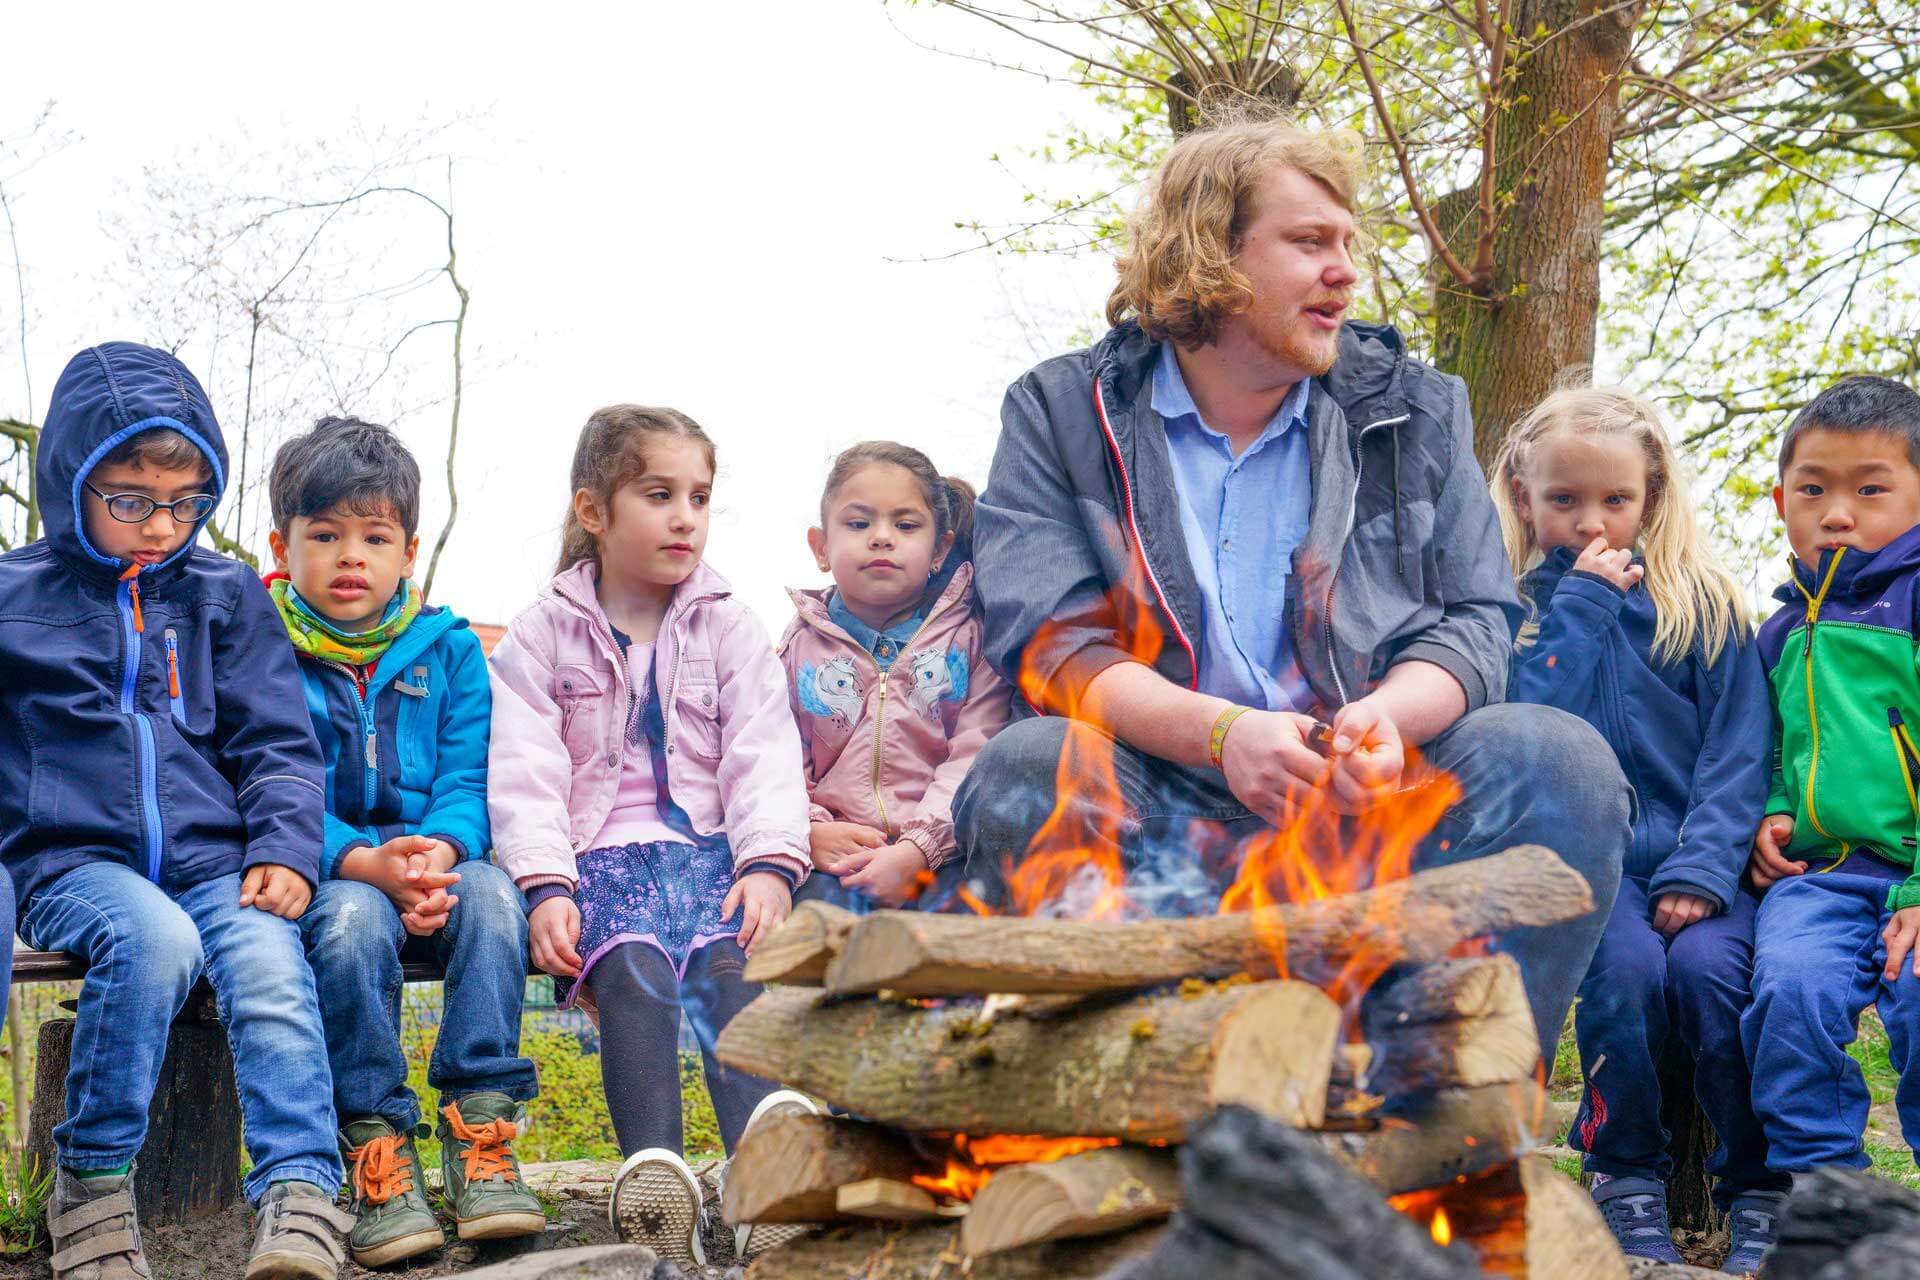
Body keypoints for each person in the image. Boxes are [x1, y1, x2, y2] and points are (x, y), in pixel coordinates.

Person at [954, 109, 1628, 1068]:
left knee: (1556, 755)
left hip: (1372, 803)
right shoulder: (1061, 412)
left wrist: (1388, 721)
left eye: (1350, 244)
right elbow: (1052, 646)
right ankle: (1103, 1113)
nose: (1346, 271)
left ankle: (1452, 1112)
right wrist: (1222, 738)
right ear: (1209, 255)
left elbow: (1481, 621)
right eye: (1311, 242)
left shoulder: (1422, 408)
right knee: (1031, 764)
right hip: (1163, 796)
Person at [0, 343, 352, 1280]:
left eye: (186, 502)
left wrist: (284, 846)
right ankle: (94, 1185)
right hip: (71, 864)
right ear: (70, 481)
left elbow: (277, 741)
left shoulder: (225, 595)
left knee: (271, 968)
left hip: (217, 859)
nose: (160, 526)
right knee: (153, 942)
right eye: (129, 500)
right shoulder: (12, 602)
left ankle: (304, 1195)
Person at [487, 404, 814, 1266]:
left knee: (728, 962)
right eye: (660, 494)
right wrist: (546, 885)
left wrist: (771, 866)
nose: (685, 518)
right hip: (599, 857)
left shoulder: (728, 625)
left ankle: (760, 1177)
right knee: (631, 968)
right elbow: (526, 772)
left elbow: (763, 753)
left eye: (700, 498)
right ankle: (654, 1177)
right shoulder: (542, 633)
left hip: (712, 853)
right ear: (594, 510)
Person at [1492, 387, 1784, 1271]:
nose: (1591, 523)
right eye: (1564, 501)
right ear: (1520, 496)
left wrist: (1703, 870)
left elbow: (1739, 752)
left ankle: (1755, 1188)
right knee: (1620, 977)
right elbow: (1527, 727)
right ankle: (1625, 1175)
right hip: (1593, 872)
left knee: (1709, 980)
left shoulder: (1703, 605)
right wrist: (1579, 607)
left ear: (1652, 494)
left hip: (1707, 867)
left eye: (1614, 500)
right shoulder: (1514, 617)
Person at [265, 417, 544, 1266]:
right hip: (336, 864)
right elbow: (275, 784)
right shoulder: (265, 651)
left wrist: (445, 852)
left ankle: (482, 1128)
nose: (352, 556)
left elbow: (469, 776)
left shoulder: (452, 651)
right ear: (282, 544)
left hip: (436, 856)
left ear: (408, 551)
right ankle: (377, 1146)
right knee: (348, 926)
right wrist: (363, 863)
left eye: (374, 536)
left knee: (497, 900)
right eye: (325, 535)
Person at [1744, 376, 1920, 1187]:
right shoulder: (1778, 629)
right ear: (1782, 500)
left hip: (1913, 875)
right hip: (1819, 880)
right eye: (1814, 489)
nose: (1838, 512)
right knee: (1789, 995)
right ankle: (1825, 1194)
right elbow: (1771, 747)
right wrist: (1774, 812)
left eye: (1871, 489)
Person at [780, 441, 1011, 911]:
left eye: (905, 525)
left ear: (939, 550)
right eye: (859, 523)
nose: (881, 537)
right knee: (811, 933)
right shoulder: (797, 647)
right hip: (834, 857)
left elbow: (977, 753)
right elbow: (775, 759)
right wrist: (811, 831)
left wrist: (918, 850)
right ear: (820, 548)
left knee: (962, 937)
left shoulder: (970, 642)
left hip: (946, 854)